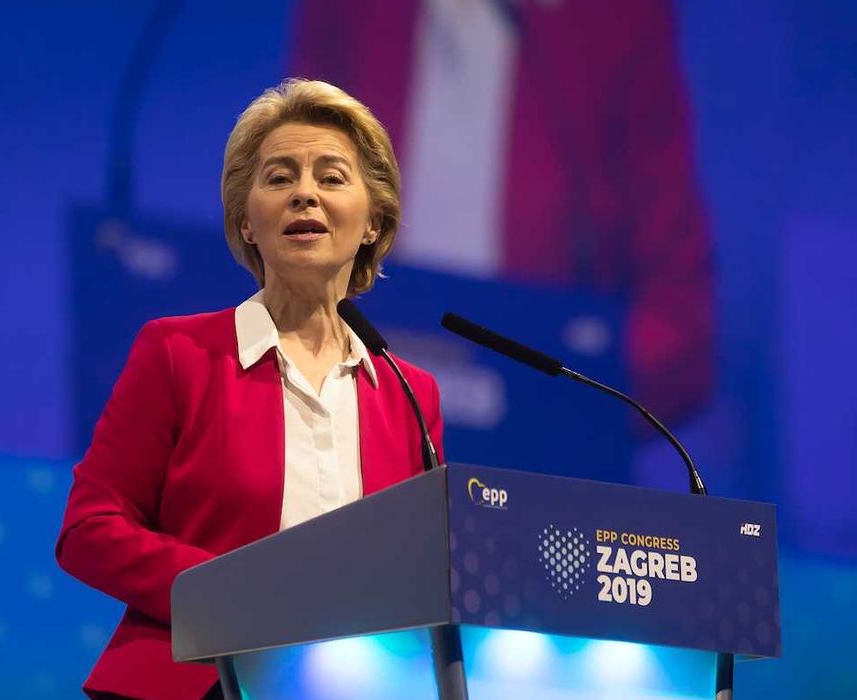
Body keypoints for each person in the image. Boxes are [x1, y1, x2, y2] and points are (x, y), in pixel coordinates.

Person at [56, 79, 444, 700]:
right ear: (247, 220)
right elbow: (89, 529)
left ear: (374, 222)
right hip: (200, 683)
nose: (305, 193)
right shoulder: (179, 354)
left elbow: (425, 570)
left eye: (332, 177)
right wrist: (234, 590)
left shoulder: (409, 392)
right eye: (280, 177)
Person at [291, 0, 715, 427]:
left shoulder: (614, 21)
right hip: (352, 417)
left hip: (534, 436)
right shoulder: (351, 13)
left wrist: (557, 409)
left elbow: (678, 330)